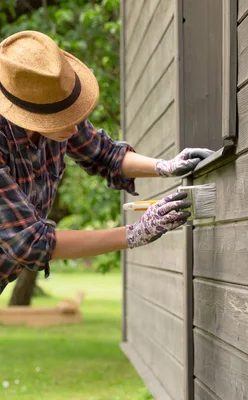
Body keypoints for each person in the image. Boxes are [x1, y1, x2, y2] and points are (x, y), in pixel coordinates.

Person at [0, 30, 214, 295]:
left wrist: (164, 166)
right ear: (26, 114)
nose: (74, 127)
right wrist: (135, 233)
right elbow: (30, 243)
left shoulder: (54, 108)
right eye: (61, 120)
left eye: (74, 114)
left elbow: (105, 154)